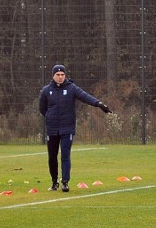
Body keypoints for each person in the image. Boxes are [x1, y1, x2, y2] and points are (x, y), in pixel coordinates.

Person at [38, 64, 112, 192]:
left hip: (67, 128)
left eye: (62, 75)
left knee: (65, 155)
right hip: (52, 129)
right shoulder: (46, 90)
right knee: (52, 156)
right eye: (58, 75)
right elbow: (42, 109)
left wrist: (98, 104)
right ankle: (54, 182)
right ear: (53, 76)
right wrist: (50, 117)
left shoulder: (71, 88)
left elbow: (85, 96)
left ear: (65, 76)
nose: (60, 77)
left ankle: (65, 182)